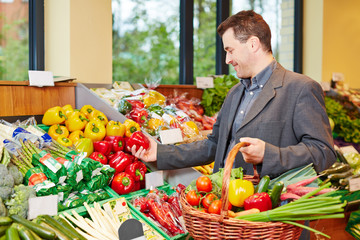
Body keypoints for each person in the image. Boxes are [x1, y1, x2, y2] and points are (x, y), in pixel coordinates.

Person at [131, 10, 336, 180]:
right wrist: (159, 152)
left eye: (230, 50)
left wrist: (270, 154)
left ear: (253, 44)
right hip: (229, 214)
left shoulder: (301, 88)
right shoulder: (236, 92)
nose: (227, 59)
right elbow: (214, 145)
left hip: (272, 217)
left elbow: (323, 153)